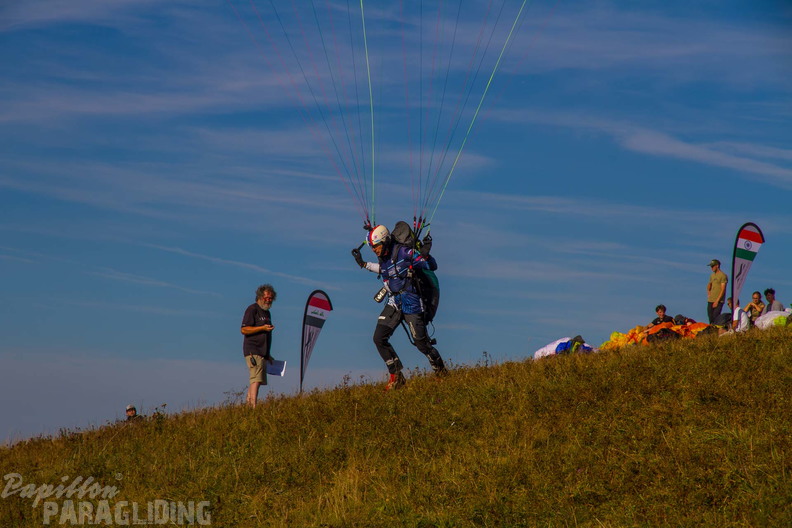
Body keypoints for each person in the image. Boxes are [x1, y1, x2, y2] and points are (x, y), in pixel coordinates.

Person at [352, 224, 447, 390]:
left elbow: (431, 266)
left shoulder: (405, 252)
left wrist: (425, 254)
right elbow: (384, 269)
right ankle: (397, 376)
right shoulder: (384, 257)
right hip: (394, 303)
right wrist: (363, 264)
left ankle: (442, 373)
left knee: (421, 344)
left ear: (385, 241)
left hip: (412, 302)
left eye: (376, 246)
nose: (374, 250)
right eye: (372, 247)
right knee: (378, 338)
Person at [241, 284, 276, 407]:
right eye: (266, 297)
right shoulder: (252, 309)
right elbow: (244, 330)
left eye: (271, 298)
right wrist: (262, 327)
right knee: (256, 379)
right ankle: (253, 407)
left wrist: (268, 354)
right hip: (253, 349)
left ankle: (249, 405)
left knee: (257, 380)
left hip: (262, 352)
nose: (268, 300)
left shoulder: (267, 313)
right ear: (260, 297)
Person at [706, 259, 728, 324]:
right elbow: (709, 284)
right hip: (711, 299)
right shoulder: (712, 275)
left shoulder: (723, 275)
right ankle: (711, 330)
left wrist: (717, 301)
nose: (711, 268)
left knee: (716, 316)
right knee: (710, 316)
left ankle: (716, 330)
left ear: (717, 266)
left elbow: (723, 289)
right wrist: (708, 292)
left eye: (712, 266)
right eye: (711, 266)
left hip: (719, 300)